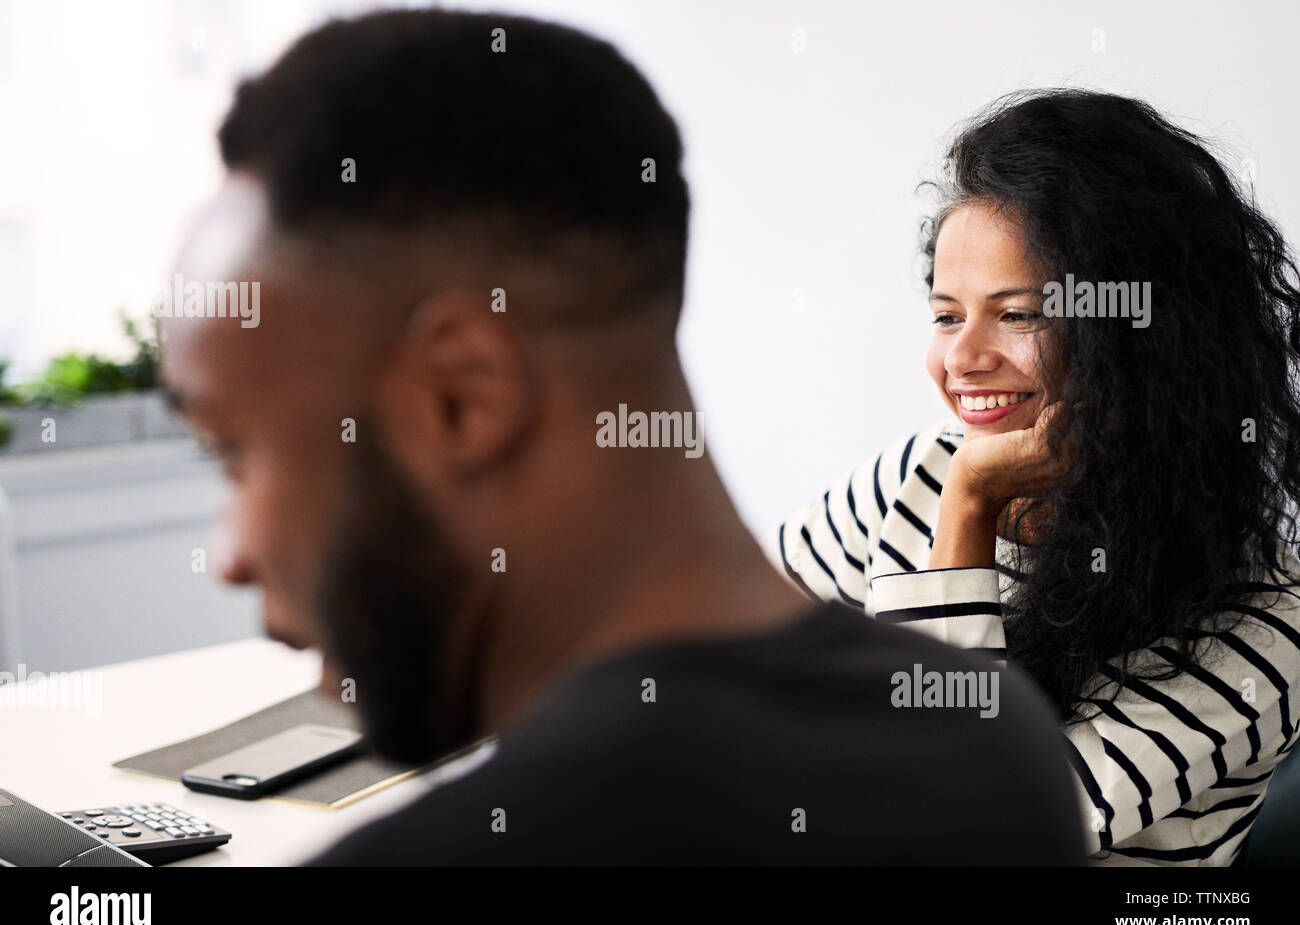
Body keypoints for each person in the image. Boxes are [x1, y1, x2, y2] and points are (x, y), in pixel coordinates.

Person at [160, 9, 1084, 865]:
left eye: (231, 454)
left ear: (464, 399)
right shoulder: (1000, 749)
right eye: (946, 313)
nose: (229, 557)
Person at [774, 90, 1300, 865]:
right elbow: (722, 656)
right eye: (948, 315)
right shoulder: (910, 474)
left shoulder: (1260, 622)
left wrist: (971, 506)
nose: (961, 359)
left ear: (1142, 337)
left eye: (1018, 315)